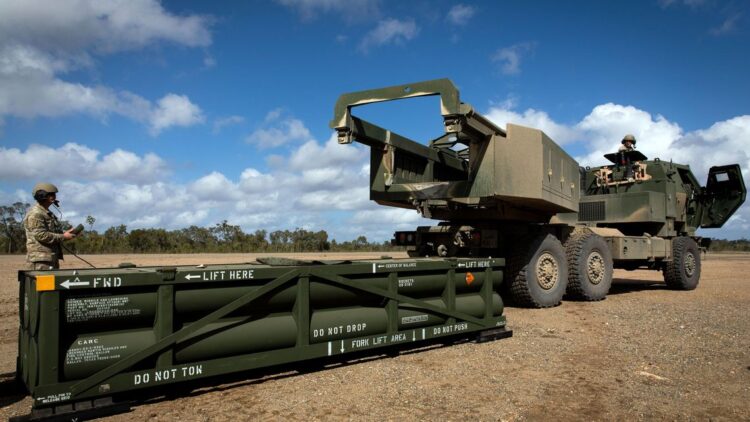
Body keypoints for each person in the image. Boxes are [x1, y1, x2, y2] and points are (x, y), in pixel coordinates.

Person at [23, 182, 77, 270]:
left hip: (49, 258)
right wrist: (63, 236)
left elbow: (51, 232)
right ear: (41, 195)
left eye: (54, 194)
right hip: (41, 260)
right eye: (50, 194)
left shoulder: (46, 213)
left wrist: (65, 234)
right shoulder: (36, 213)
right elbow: (41, 235)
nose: (54, 196)